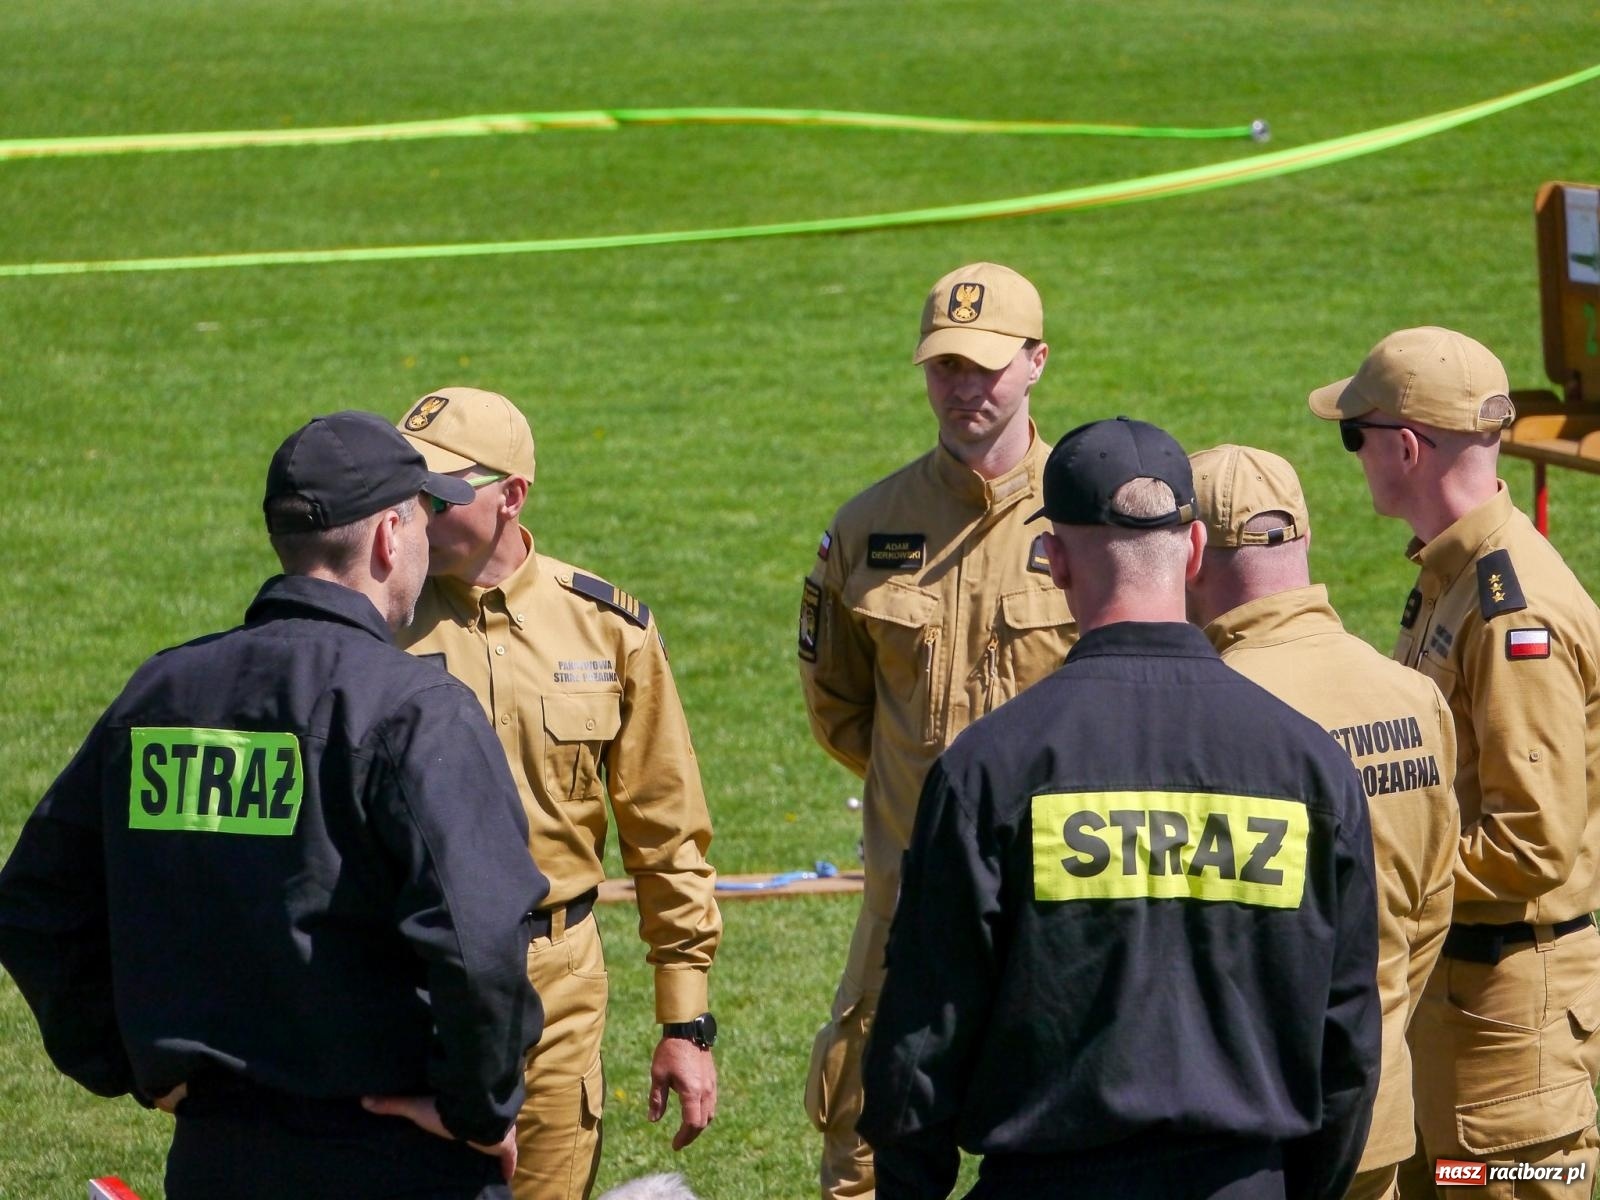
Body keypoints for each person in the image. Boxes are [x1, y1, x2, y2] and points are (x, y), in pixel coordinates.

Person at [0, 411, 547, 1200]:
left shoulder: (160, 694)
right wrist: (477, 1109)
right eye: (424, 520)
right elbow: (481, 941)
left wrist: (128, 1065)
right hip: (396, 1161)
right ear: (391, 536)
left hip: (217, 1158)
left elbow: (32, 908)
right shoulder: (416, 710)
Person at [859, 417, 1382, 1200]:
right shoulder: (1306, 765)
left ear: (1056, 561)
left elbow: (922, 1039)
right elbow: (1347, 1041)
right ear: (1195, 551)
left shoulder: (990, 769)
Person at [395, 387, 722, 1200]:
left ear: (511, 496)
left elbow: (668, 836)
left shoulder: (609, 630)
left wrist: (685, 1022)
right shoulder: (374, 627)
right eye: (409, 491)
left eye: (441, 494)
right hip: (407, 975)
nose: (418, 513)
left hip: (556, 982)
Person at [797, 261, 1075, 1199]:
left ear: (1037, 362)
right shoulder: (869, 525)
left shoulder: (1093, 517)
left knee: (1057, 1131)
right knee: (866, 1141)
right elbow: (840, 707)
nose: (962, 388)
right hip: (907, 892)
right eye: (943, 366)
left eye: (985, 367)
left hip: (1059, 899)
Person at [1308, 327, 1600, 1197]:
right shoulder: (1453, 575)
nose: (1353, 453)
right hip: (1464, 1004)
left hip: (1506, 1037)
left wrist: (1384, 870)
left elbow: (1531, 844)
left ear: (1405, 446)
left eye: (1352, 434)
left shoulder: (1515, 614)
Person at [1186, 442, 1458, 1200]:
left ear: (1191, 552)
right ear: (1302, 538)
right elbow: (1433, 907)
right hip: (1377, 1109)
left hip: (1248, 1129)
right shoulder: (1409, 695)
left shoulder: (1208, 712)